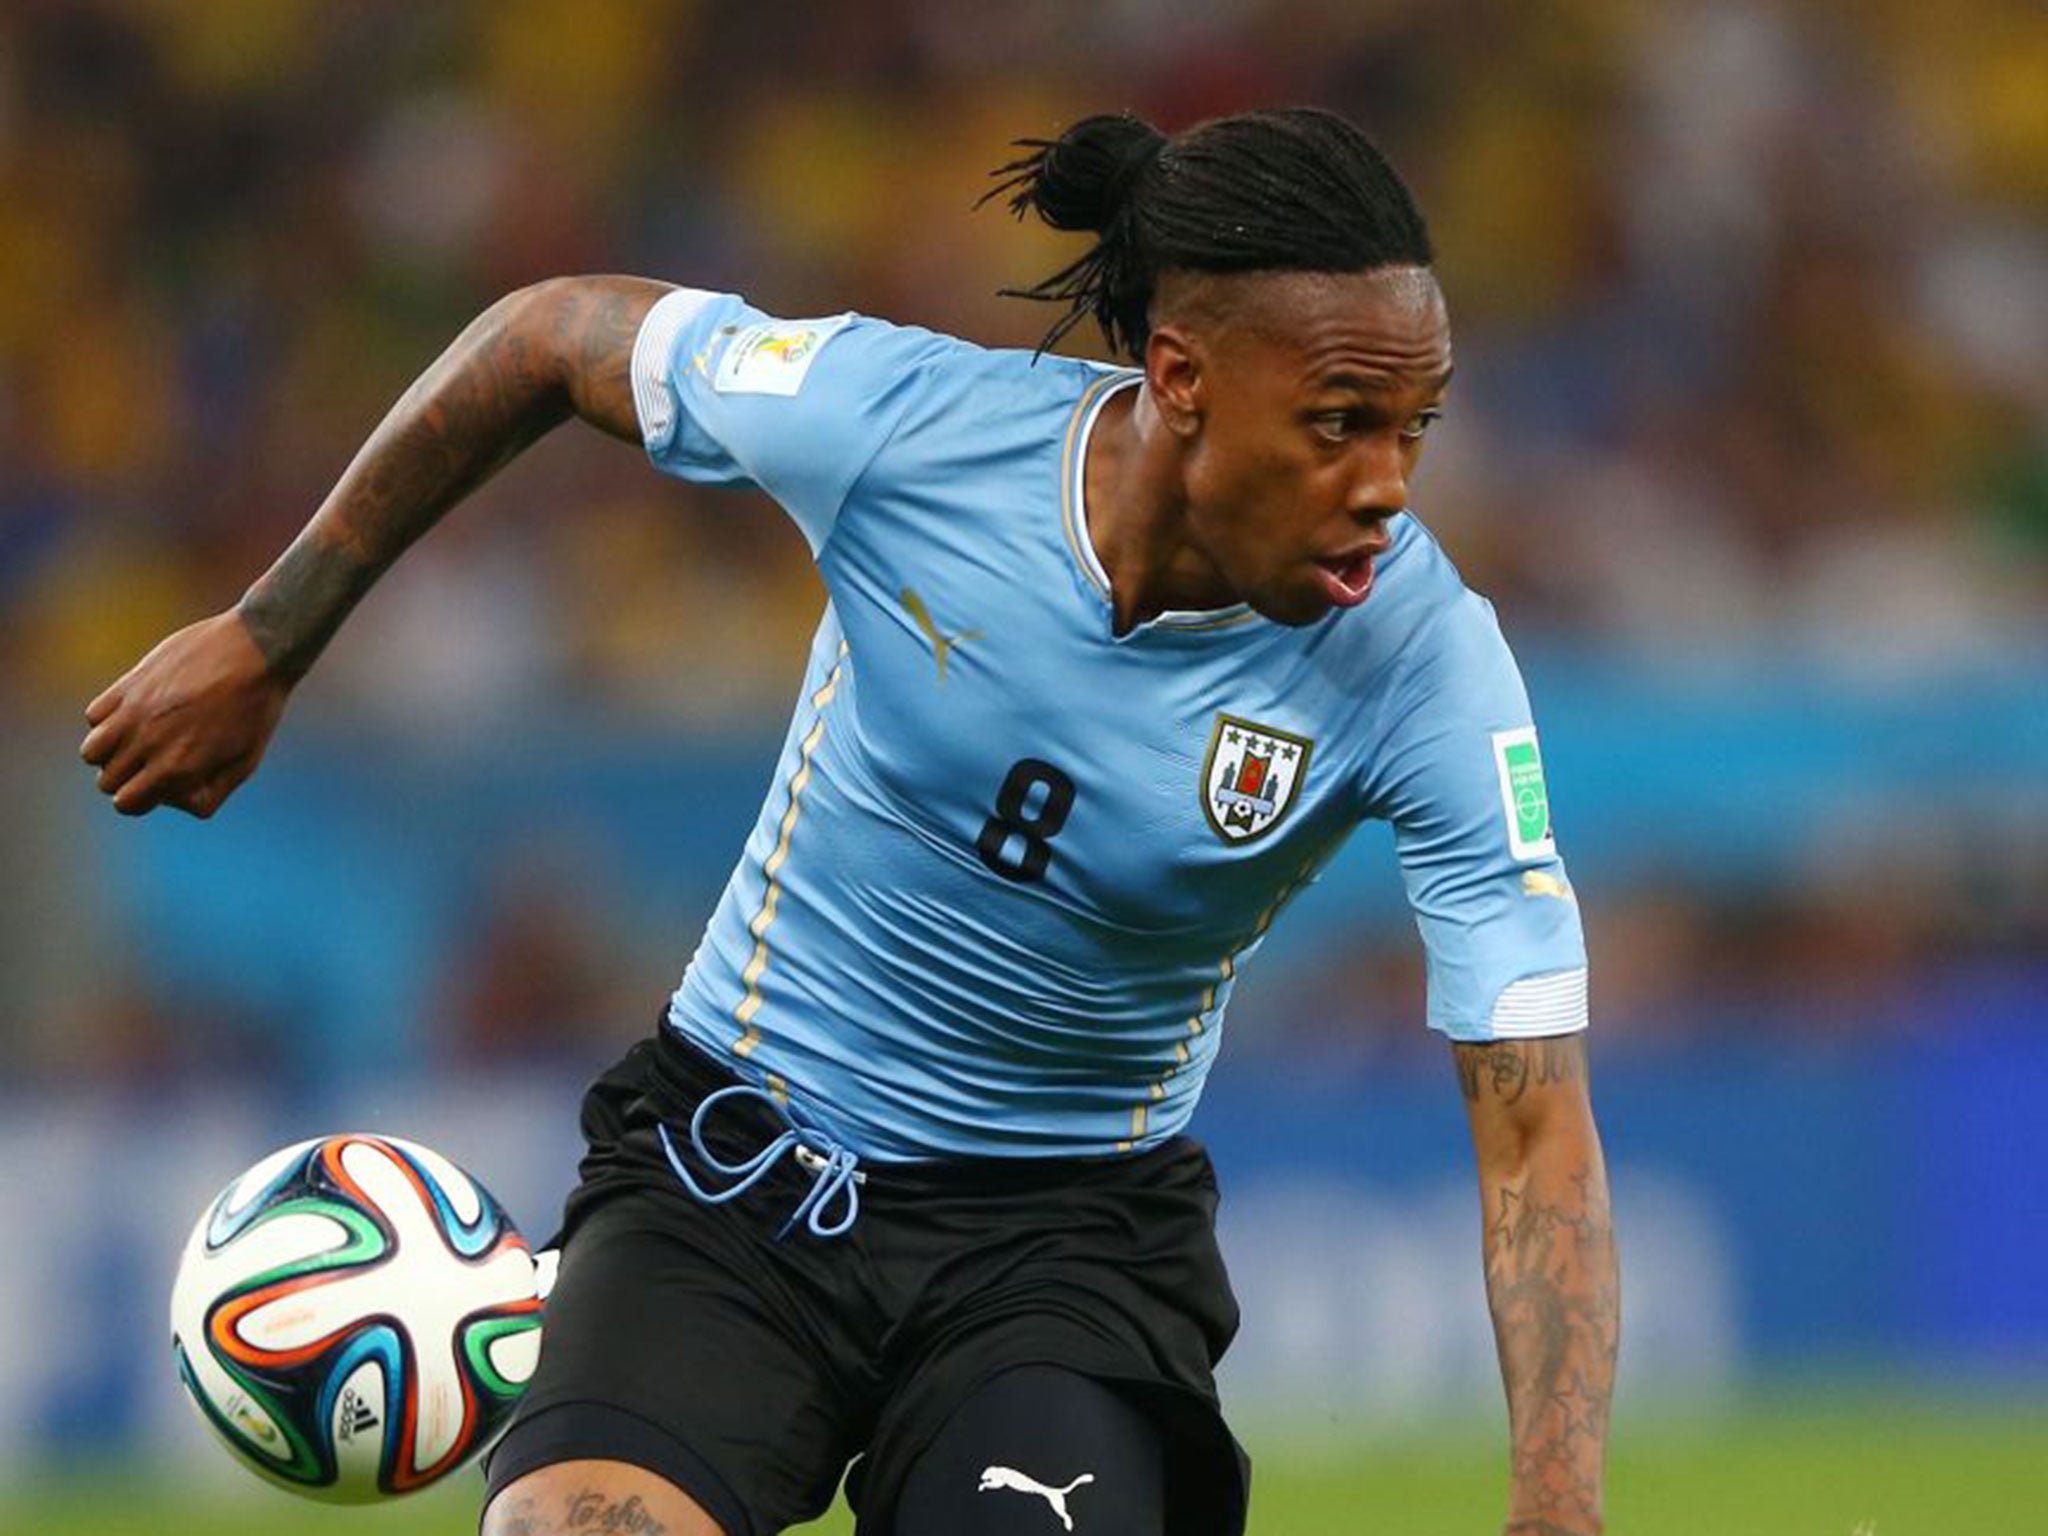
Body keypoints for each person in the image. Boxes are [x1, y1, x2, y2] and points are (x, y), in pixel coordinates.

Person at [81, 108, 1618, 1536]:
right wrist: (270, 637)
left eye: (1415, 428)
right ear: (1181, 377)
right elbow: (549, 337)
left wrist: (1557, 1515)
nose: (1386, 488)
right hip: (729, 1174)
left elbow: (1536, 1126)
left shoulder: (1426, 662)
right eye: (1341, 423)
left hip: (1061, 1252)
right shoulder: (907, 428)